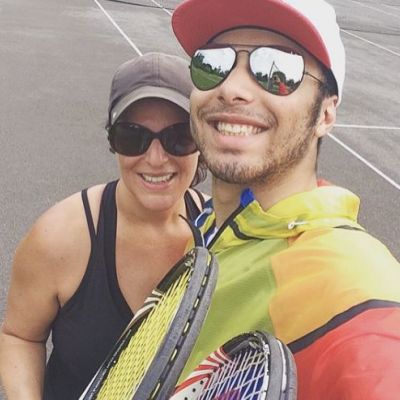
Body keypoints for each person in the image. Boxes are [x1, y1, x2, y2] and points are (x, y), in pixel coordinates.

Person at [172, 0, 400, 398]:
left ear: (325, 114)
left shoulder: (351, 286)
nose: (232, 88)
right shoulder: (211, 224)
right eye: (214, 63)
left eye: (277, 69)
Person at [0, 52, 208, 399]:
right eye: (132, 137)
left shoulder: (221, 233)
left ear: (202, 142)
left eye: (179, 137)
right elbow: (20, 336)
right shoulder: (59, 237)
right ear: (112, 141)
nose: (156, 158)